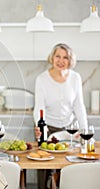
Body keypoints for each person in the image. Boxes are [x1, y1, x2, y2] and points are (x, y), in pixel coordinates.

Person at [33, 43, 88, 189]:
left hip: (68, 130)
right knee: (44, 168)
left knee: (68, 167)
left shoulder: (75, 78)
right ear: (52, 57)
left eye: (65, 57)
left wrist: (84, 130)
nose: (61, 60)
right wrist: (40, 126)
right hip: (48, 129)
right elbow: (39, 106)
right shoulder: (42, 79)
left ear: (70, 60)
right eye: (58, 56)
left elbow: (78, 106)